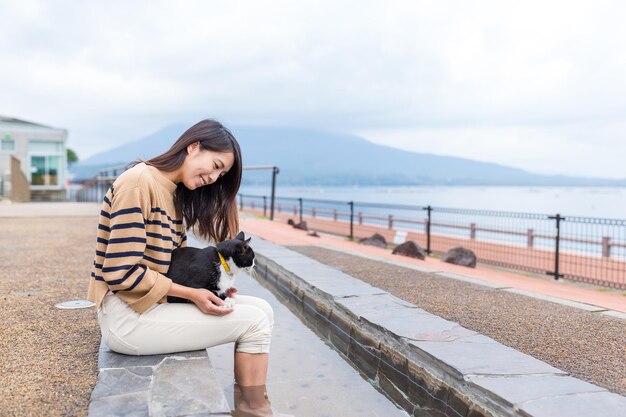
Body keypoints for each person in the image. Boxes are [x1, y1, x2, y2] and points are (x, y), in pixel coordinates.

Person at [87, 119, 273, 390]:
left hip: (152, 305)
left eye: (220, 176)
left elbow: (177, 264)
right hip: (127, 316)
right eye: (216, 167)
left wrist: (209, 288)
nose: (213, 179)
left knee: (263, 309)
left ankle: (247, 402)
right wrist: (192, 294)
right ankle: (254, 408)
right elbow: (119, 272)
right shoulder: (138, 183)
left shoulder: (172, 193)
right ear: (194, 147)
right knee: (255, 323)